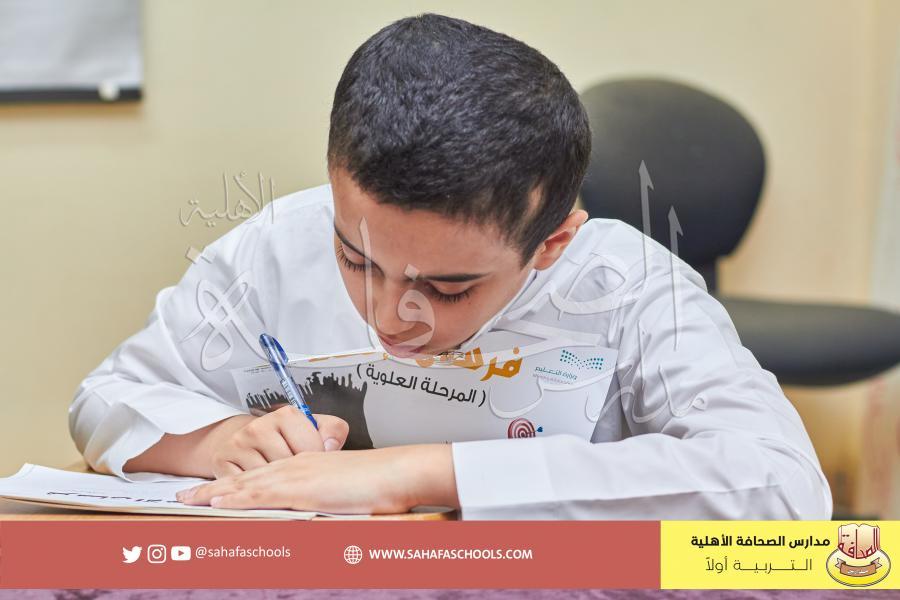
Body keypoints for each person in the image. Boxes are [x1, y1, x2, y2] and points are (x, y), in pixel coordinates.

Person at [68, 13, 832, 519]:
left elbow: (783, 486)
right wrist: (214, 440)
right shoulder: (275, 246)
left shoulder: (624, 284)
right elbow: (105, 400)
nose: (391, 316)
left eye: (447, 286)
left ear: (552, 244)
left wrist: (427, 473)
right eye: (355, 258)